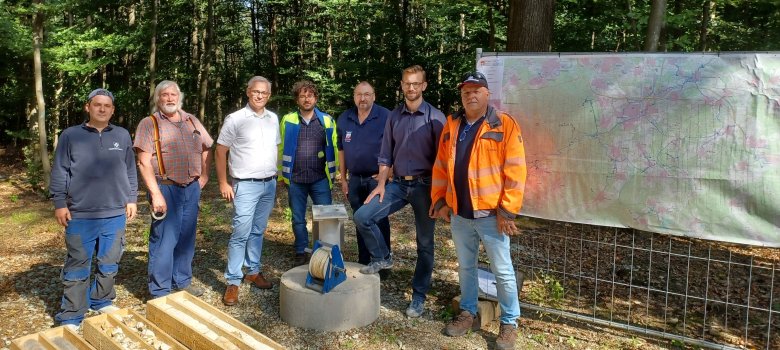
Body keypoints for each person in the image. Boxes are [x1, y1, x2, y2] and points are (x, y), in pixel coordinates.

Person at [429, 71, 526, 350]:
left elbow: (516, 170)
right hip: (460, 215)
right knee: (466, 267)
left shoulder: (503, 124)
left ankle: (509, 323)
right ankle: (468, 313)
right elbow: (441, 167)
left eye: (476, 90)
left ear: (487, 94)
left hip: (491, 217)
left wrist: (507, 211)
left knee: (503, 271)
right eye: (465, 92)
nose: (470, 95)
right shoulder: (453, 124)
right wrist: (440, 201)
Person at [353, 65, 446, 318]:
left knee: (424, 244)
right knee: (363, 216)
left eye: (416, 83)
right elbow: (385, 154)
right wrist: (381, 184)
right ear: (402, 85)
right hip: (397, 185)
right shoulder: (394, 116)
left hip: (425, 186)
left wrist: (440, 197)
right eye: (407, 83)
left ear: (424, 85)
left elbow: (444, 161)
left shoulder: (436, 118)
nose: (411, 88)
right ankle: (382, 257)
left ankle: (418, 296)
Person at [50, 88, 138, 329]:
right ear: (87, 107)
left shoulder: (122, 135)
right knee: (78, 264)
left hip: (115, 213)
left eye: (107, 106)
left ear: (112, 110)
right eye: (97, 104)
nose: (102, 109)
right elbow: (60, 170)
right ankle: (72, 315)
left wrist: (132, 198)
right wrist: (59, 203)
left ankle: (101, 300)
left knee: (110, 261)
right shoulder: (71, 135)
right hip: (80, 213)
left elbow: (130, 169)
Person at [134, 80, 214, 299]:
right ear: (157, 99)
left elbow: (207, 147)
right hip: (165, 189)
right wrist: (155, 193)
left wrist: (205, 174)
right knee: (163, 240)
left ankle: (182, 280)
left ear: (179, 98)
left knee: (186, 238)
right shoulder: (149, 123)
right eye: (164, 95)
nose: (169, 99)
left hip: (191, 188)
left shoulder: (192, 121)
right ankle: (160, 291)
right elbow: (143, 162)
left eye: (173, 95)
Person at [216, 76, 279, 306]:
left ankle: (253, 270)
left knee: (258, 230)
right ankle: (233, 280)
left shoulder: (273, 119)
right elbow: (221, 151)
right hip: (245, 184)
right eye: (256, 91)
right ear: (248, 92)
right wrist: (223, 182)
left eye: (264, 92)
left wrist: (277, 177)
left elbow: (275, 149)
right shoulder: (235, 119)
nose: (260, 95)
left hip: (269, 183)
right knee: (240, 232)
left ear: (269, 95)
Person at [278, 80, 338, 266]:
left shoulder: (326, 120)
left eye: (310, 95)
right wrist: (282, 175)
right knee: (298, 218)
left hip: (320, 178)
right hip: (295, 179)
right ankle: (301, 250)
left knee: (326, 217)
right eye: (302, 96)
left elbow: (335, 148)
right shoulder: (288, 120)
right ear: (297, 99)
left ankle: (324, 251)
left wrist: (335, 175)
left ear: (315, 98)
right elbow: (280, 149)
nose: (306, 99)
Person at [336, 81, 391, 266]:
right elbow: (341, 150)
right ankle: (364, 260)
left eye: (367, 94)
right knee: (359, 220)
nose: (363, 98)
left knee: (379, 220)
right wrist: (343, 179)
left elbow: (397, 146)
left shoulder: (385, 116)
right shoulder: (345, 118)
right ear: (354, 97)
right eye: (359, 94)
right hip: (354, 180)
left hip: (376, 180)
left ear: (374, 96)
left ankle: (383, 261)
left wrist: (388, 174)